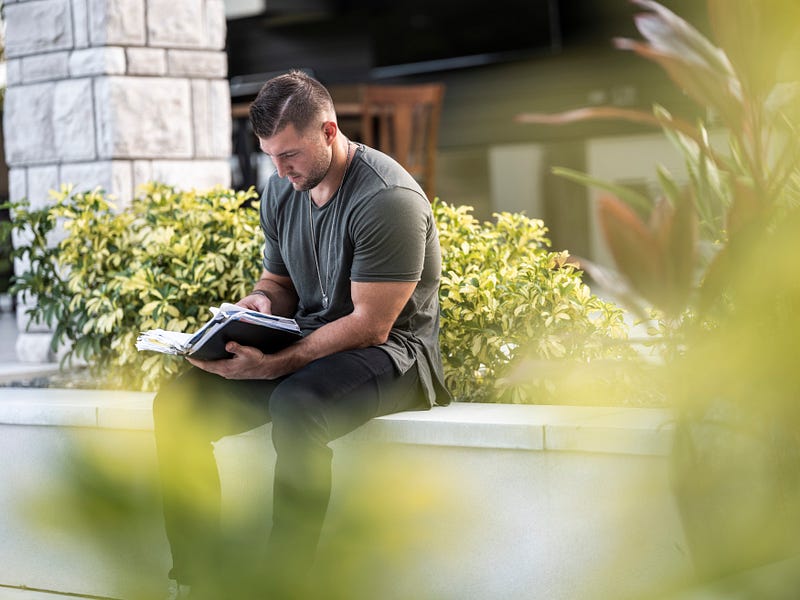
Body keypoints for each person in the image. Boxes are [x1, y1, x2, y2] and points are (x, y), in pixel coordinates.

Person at [153, 70, 450, 598]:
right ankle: (198, 580)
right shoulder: (282, 190)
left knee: (296, 405)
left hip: (395, 356)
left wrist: (274, 364)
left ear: (329, 131)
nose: (279, 169)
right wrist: (259, 304)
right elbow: (279, 282)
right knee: (178, 405)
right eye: (270, 155)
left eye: (289, 154)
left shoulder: (388, 198)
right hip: (315, 338)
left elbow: (371, 325)